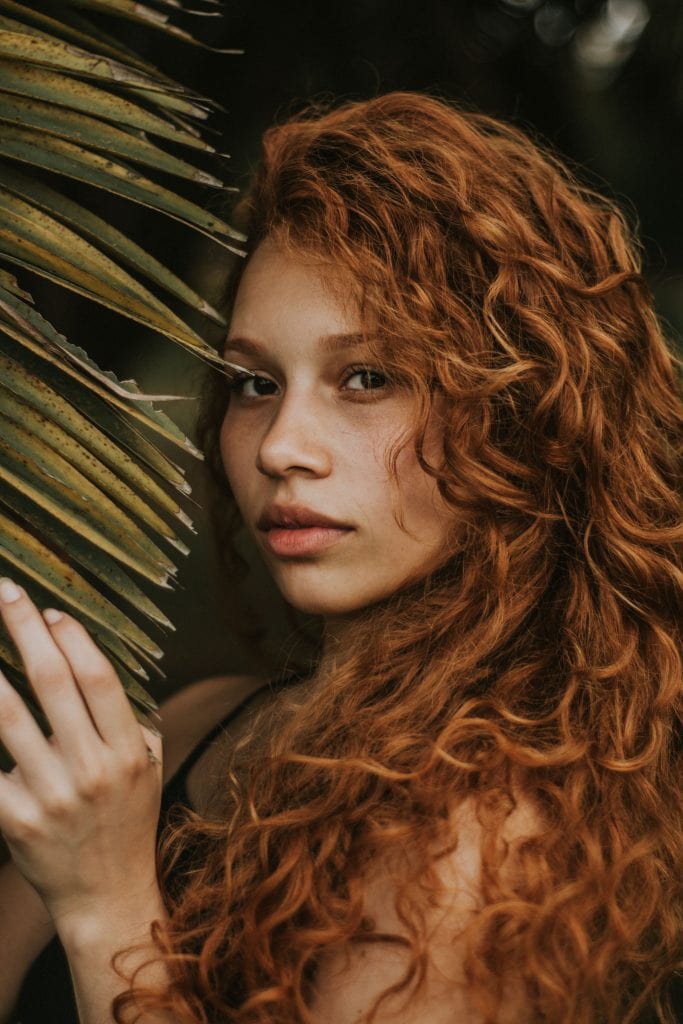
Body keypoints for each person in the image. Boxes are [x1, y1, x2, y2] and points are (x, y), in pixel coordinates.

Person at [0, 91, 680, 1024]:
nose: (281, 444)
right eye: (255, 383)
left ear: (521, 411)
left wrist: (106, 906)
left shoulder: (488, 841)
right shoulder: (189, 730)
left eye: (367, 377)